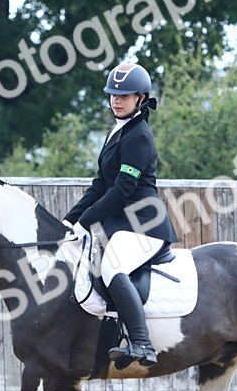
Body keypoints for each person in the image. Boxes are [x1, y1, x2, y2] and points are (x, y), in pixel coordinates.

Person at [64, 62, 178, 367]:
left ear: (140, 98)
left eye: (124, 96)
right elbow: (100, 185)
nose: (116, 100)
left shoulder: (139, 136)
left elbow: (122, 191)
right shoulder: (117, 131)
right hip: (125, 226)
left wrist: (87, 222)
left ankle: (142, 343)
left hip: (147, 225)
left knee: (113, 268)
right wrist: (68, 221)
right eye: (113, 94)